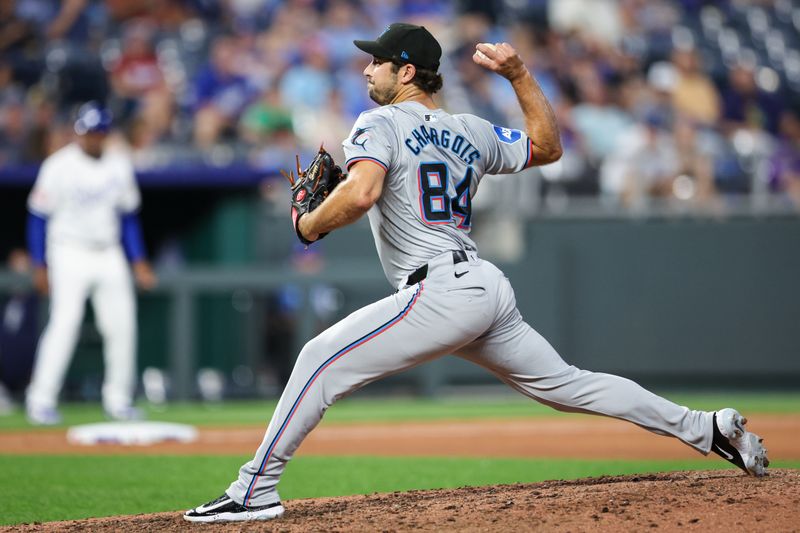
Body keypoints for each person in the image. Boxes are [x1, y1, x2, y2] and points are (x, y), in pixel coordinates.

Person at [185, 23, 769, 523]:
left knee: (317, 357)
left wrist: (310, 224)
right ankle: (705, 427)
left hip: (438, 287)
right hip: (482, 286)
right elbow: (547, 146)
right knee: (569, 384)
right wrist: (519, 75)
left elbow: (361, 193)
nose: (366, 70)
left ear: (407, 72)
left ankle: (251, 491)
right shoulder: (473, 130)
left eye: (378, 61)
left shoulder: (379, 123)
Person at [25, 101, 157, 425]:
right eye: (88, 132)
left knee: (122, 325)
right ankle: (40, 399)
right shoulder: (58, 165)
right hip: (68, 250)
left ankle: (118, 399)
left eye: (99, 133)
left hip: (108, 251)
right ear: (78, 132)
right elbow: (38, 218)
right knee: (65, 324)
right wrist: (39, 263)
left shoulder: (118, 164)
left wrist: (138, 260)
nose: (93, 139)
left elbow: (127, 218)